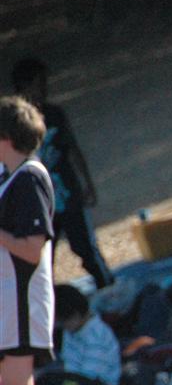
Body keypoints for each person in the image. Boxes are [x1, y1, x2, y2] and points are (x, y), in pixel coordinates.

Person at [11, 58, 114, 289]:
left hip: (67, 194)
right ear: (24, 86)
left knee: (85, 247)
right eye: (39, 84)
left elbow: (72, 149)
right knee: (40, 259)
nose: (44, 89)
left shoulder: (54, 114)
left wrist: (86, 183)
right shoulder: (11, 125)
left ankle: (107, 286)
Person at [0, 95, 56, 385]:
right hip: (4, 301)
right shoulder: (7, 178)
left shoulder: (30, 178)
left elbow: (32, 249)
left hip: (21, 302)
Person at [35, 284, 124, 385]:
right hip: (75, 383)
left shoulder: (96, 335)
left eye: (62, 322)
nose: (61, 326)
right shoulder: (71, 331)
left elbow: (89, 375)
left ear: (76, 315)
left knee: (47, 382)